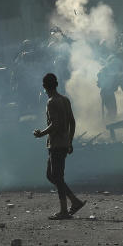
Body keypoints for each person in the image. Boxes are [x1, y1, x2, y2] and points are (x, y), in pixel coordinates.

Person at [33, 73, 85, 220]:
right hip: (62, 143)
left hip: (56, 144)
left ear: (44, 87)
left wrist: (40, 133)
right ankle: (74, 202)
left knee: (57, 177)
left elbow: (54, 125)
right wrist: (70, 141)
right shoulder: (65, 100)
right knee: (51, 175)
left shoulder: (51, 102)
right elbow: (72, 122)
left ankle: (64, 210)